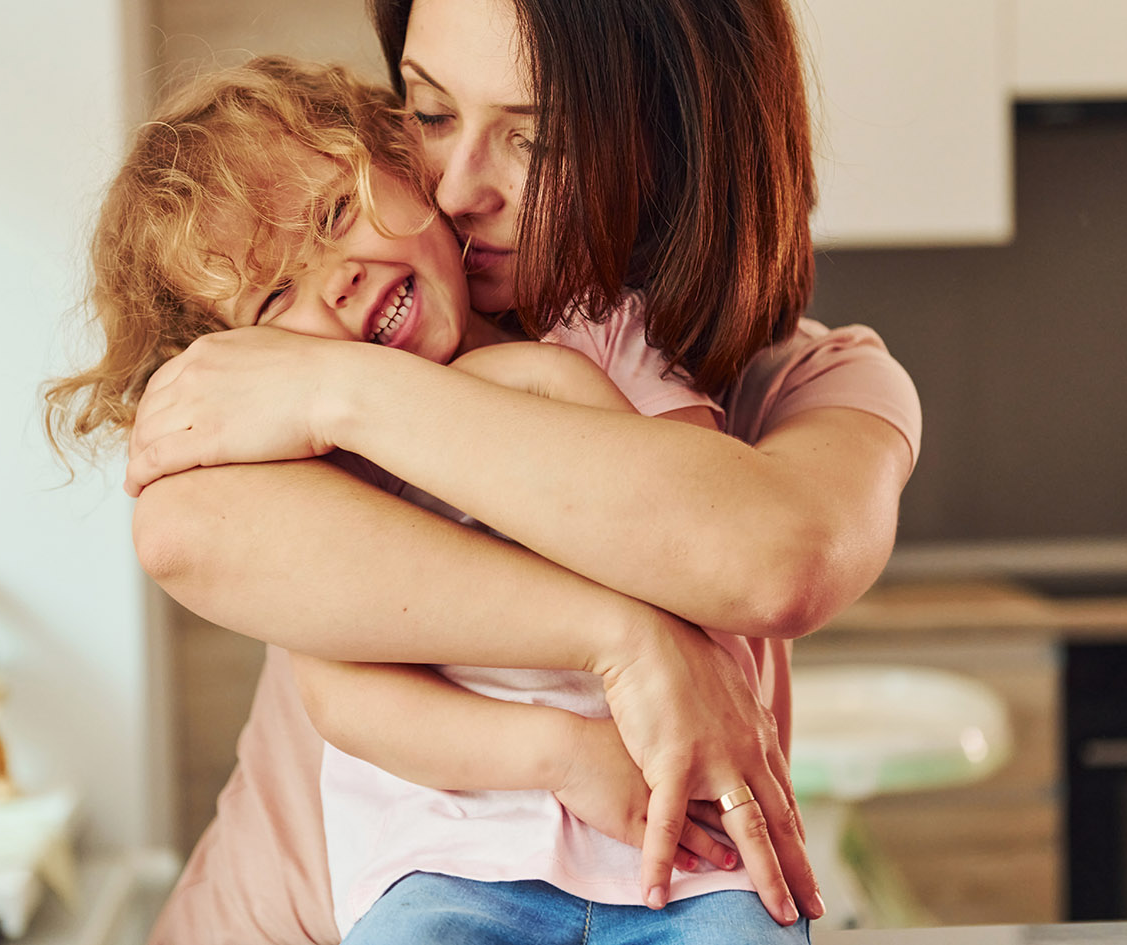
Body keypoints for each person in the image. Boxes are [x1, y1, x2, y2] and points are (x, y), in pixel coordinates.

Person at [120, 0, 919, 941]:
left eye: (535, 140)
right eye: (428, 113)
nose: (460, 189)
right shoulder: (321, 379)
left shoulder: (816, 380)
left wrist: (340, 388)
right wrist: (624, 638)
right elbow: (183, 533)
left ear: (677, 143)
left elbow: (774, 557)